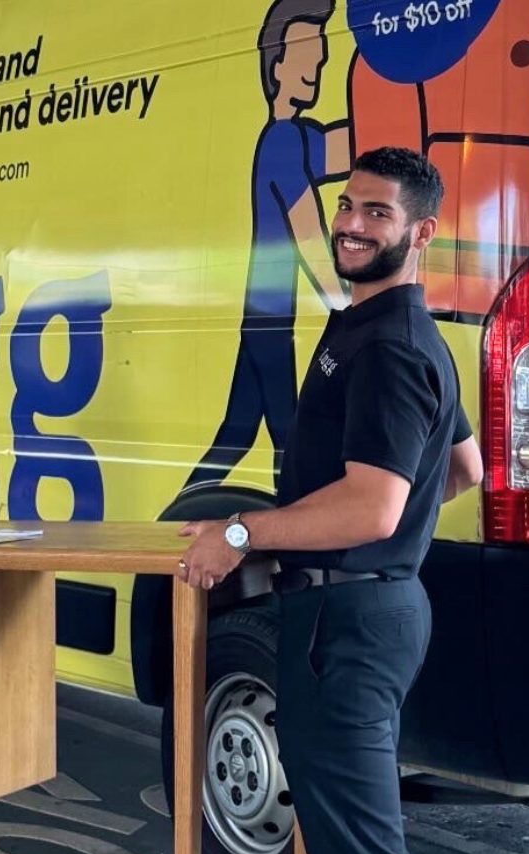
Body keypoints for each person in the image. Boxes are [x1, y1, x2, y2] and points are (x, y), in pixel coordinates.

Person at [177, 146, 484, 854]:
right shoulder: (385, 332)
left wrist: (242, 527)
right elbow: (461, 469)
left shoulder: (393, 343)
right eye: (347, 206)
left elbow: (374, 505)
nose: (353, 223)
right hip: (358, 617)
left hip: (345, 627)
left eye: (376, 212)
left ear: (420, 232)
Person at [186, 0, 349, 493]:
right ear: (276, 66)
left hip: (265, 315)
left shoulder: (296, 137)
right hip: (270, 321)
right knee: (289, 442)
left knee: (235, 436)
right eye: (306, 61)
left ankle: (167, 533)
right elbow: (308, 236)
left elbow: (353, 142)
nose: (315, 70)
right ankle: (295, 542)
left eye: (319, 61)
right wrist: (346, 305)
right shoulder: (280, 142)